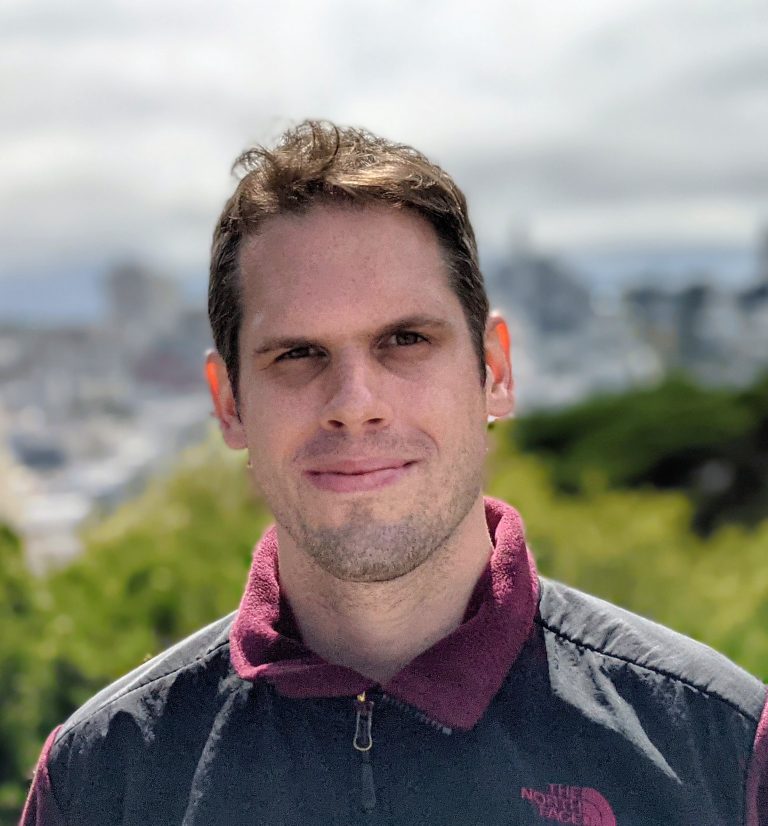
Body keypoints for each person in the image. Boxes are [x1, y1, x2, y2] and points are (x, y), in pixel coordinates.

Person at [21, 120, 767, 826]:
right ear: (229, 404)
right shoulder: (102, 778)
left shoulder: (719, 748)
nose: (355, 404)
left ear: (495, 370)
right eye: (297, 354)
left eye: (405, 340)